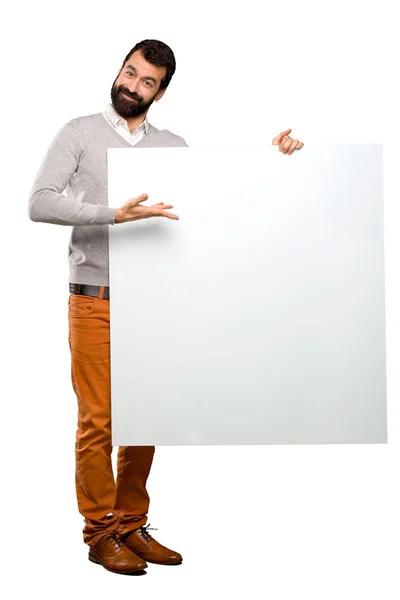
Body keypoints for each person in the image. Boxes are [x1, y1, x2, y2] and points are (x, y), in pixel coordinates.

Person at [28, 38, 304, 576]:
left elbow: (221, 197)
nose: (132, 86)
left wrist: (275, 158)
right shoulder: (78, 132)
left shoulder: (172, 145)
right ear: (119, 70)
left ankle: (132, 524)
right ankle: (100, 531)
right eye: (128, 73)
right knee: (98, 422)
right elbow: (39, 201)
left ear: (161, 91)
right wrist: (113, 214)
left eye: (146, 81)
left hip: (155, 302)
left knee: (144, 418)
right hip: (95, 300)